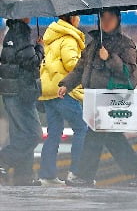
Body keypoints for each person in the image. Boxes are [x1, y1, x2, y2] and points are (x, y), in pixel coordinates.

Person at [58, 8, 137, 187]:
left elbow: (128, 72)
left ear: (118, 20)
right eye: (103, 18)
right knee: (111, 138)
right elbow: (80, 68)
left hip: (112, 98)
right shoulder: (94, 45)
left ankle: (84, 176)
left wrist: (109, 58)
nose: (106, 22)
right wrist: (66, 84)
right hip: (96, 99)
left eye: (111, 18)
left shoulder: (126, 44)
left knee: (95, 136)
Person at [38, 14, 88, 186]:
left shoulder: (52, 36)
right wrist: (86, 63)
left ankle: (47, 174)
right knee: (82, 128)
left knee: (54, 133)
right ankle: (76, 172)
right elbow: (72, 65)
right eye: (77, 16)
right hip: (63, 90)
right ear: (72, 18)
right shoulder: (69, 38)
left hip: (48, 90)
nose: (79, 19)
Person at [0, 18, 44, 186]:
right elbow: (31, 61)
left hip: (11, 91)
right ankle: (3, 160)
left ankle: (23, 177)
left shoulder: (10, 33)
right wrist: (40, 48)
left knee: (20, 134)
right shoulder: (21, 33)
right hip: (21, 92)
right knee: (33, 134)